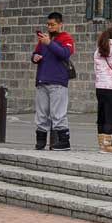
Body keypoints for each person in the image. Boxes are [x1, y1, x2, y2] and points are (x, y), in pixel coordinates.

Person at [31, 11, 75, 151]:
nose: (49, 27)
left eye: (52, 24)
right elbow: (36, 53)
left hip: (57, 81)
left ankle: (63, 141)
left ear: (60, 24)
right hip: (42, 80)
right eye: (48, 24)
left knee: (58, 113)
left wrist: (49, 43)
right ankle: (40, 141)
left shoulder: (66, 38)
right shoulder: (43, 39)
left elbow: (65, 53)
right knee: (41, 113)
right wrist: (35, 57)